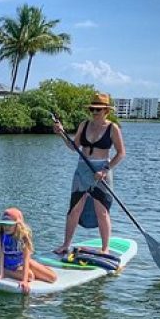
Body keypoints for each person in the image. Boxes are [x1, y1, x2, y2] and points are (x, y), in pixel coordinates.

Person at [53, 92, 125, 255]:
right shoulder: (84, 125)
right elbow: (74, 147)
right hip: (82, 170)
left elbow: (121, 153)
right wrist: (62, 134)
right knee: (74, 210)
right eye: (92, 109)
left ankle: (105, 248)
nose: (94, 112)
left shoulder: (113, 128)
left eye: (97, 110)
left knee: (102, 211)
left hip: (102, 171)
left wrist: (105, 170)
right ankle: (65, 245)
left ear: (106, 110)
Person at [0, 207, 57, 294]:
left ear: (18, 225)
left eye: (10, 225)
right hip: (9, 266)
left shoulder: (24, 237)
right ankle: (6, 272)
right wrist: (1, 274)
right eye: (4, 224)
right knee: (30, 276)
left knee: (52, 278)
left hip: (22, 263)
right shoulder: (1, 237)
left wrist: (24, 281)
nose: (6, 227)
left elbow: (26, 258)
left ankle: (39, 268)